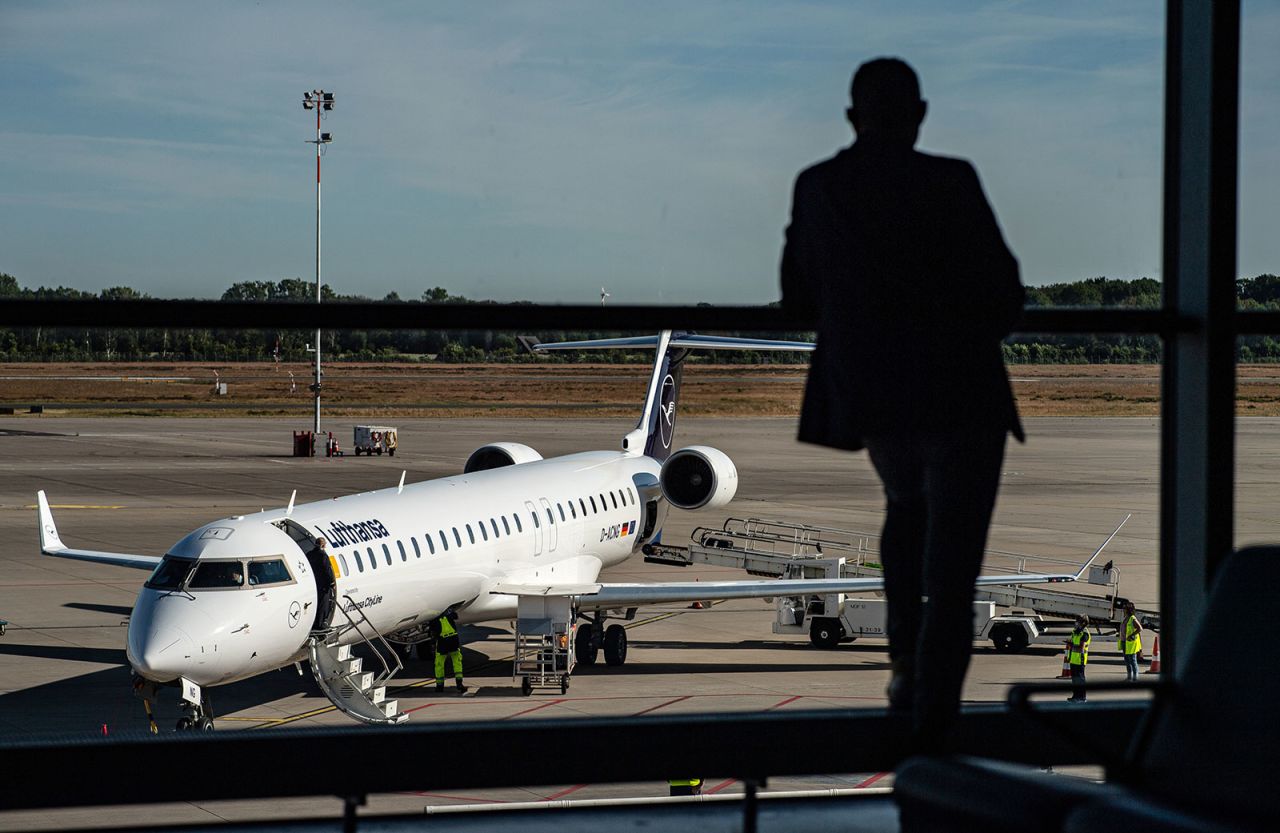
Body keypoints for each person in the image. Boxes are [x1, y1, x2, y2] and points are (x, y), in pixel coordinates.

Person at [781, 57, 1025, 748]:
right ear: (919, 114)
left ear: (853, 119)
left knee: (904, 512)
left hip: (879, 394)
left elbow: (798, 295)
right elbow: (1006, 298)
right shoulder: (952, 181)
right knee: (955, 566)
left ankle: (903, 667)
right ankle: (935, 706)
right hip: (964, 392)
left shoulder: (821, 187)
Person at [428, 610, 467, 694]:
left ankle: (439, 686)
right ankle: (459, 683)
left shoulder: (433, 618)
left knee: (439, 664)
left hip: (443, 642)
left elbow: (432, 633)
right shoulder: (449, 613)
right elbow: (456, 616)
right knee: (457, 662)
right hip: (453, 640)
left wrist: (432, 644)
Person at [1067, 615, 1091, 702]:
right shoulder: (1076, 631)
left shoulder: (1084, 633)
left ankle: (1082, 697)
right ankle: (1075, 696)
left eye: (1078, 621)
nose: (1076, 622)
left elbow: (1081, 648)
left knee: (1080, 679)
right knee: (1074, 680)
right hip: (1073, 659)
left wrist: (1071, 645)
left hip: (1080, 660)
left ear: (1083, 623)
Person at [1119, 602, 1144, 681]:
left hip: (1130, 643)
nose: (1123, 610)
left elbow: (1140, 628)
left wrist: (1132, 635)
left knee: (1132, 660)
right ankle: (1129, 676)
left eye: (1125, 609)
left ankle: (1135, 677)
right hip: (1124, 641)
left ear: (1128, 610)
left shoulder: (1132, 618)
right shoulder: (1126, 617)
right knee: (1127, 660)